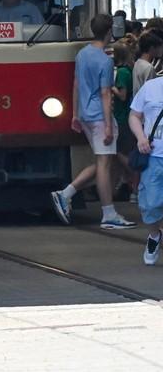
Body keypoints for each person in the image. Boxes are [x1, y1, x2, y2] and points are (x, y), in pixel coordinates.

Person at [51, 13, 135, 229]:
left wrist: (75, 115)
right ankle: (107, 213)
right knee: (105, 164)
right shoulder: (105, 60)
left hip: (86, 115)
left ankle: (67, 193)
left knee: (103, 162)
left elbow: (77, 84)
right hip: (100, 116)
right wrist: (108, 125)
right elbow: (106, 94)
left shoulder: (82, 54)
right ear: (109, 32)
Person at [128, 78, 163, 265]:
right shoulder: (150, 88)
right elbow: (134, 115)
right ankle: (154, 235)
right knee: (151, 205)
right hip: (154, 155)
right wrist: (141, 137)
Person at [112, 43, 140, 202]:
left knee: (118, 153)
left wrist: (110, 87)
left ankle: (133, 180)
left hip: (121, 117)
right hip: (126, 115)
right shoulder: (130, 71)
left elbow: (122, 95)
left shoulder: (121, 73)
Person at [133, 32, 162, 97]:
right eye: (159, 47)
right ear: (152, 48)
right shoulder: (148, 67)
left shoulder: (138, 62)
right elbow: (151, 92)